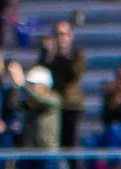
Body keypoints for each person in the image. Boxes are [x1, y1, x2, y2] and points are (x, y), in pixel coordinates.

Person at [37, 21, 86, 149]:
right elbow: (40, 73)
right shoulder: (49, 56)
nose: (61, 38)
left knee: (70, 142)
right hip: (53, 104)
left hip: (71, 105)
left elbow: (74, 74)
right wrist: (49, 55)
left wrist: (64, 54)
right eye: (58, 34)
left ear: (70, 36)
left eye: (64, 34)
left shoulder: (77, 55)